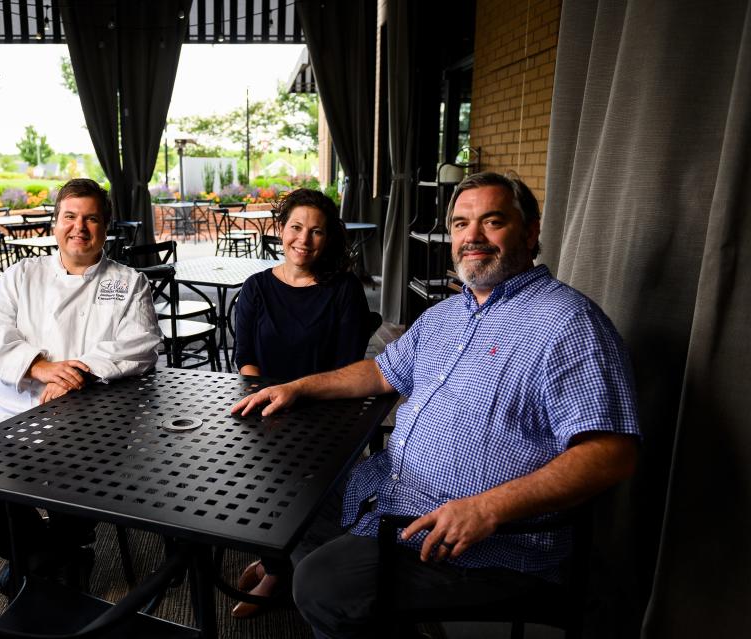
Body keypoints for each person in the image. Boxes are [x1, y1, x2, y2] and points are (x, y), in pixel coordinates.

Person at [232, 172, 640, 638]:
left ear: (530, 231)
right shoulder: (446, 314)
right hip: (392, 495)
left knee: (322, 585)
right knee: (294, 506)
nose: (473, 237)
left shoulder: (567, 322)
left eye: (492, 221)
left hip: (482, 541)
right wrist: (300, 387)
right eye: (462, 224)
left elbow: (612, 452)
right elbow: (382, 372)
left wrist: (487, 509)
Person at [0, 178, 161, 593]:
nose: (80, 228)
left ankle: (49, 559)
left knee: (77, 491)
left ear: (106, 226)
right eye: (70, 217)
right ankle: (45, 558)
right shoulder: (21, 275)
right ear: (55, 223)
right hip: (8, 408)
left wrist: (74, 374)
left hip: (90, 413)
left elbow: (140, 346)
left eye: (91, 218)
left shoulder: (125, 282)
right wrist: (40, 367)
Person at [230, 187, 372, 617]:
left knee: (310, 494)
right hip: (265, 410)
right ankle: (277, 563)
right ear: (280, 229)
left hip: (327, 412)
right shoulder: (256, 287)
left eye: (316, 232)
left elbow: (349, 367)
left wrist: (301, 396)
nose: (303, 240)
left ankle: (284, 569)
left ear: (328, 239)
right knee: (257, 486)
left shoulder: (344, 290)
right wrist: (265, 402)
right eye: (296, 227)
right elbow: (246, 361)